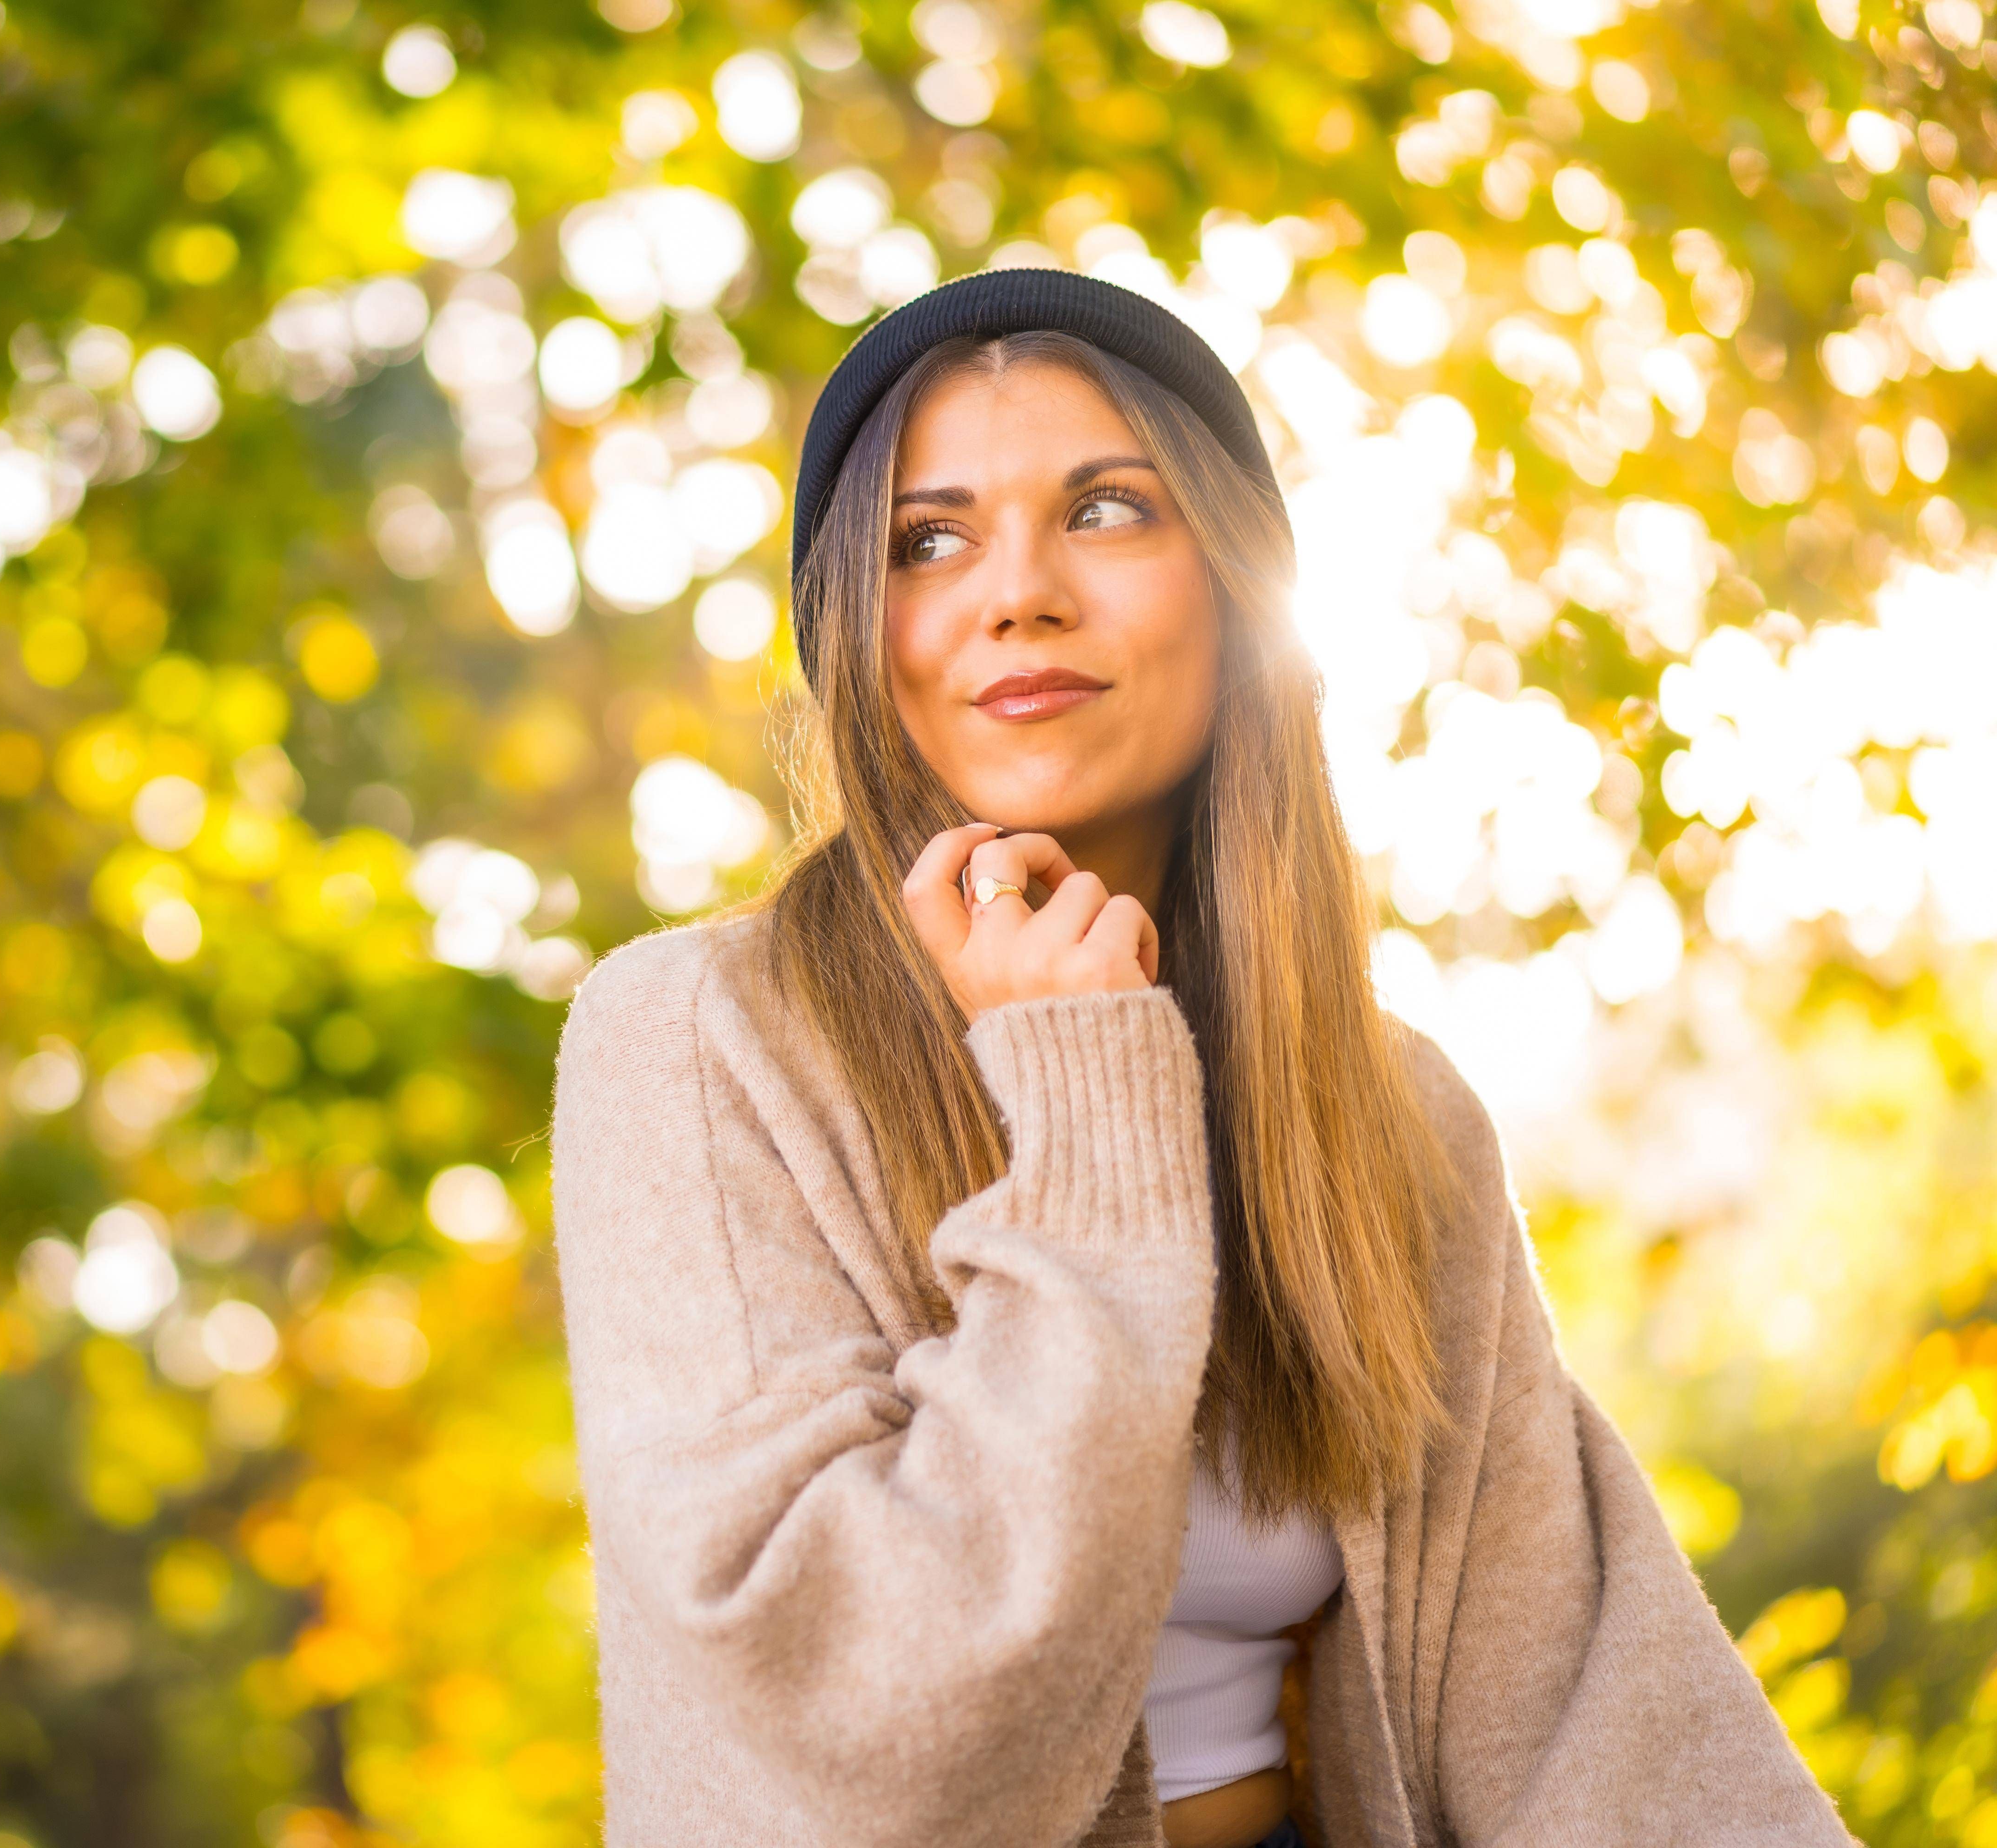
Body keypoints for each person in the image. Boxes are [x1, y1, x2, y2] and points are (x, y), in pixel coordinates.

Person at [546, 267, 1853, 1848]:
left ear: (1237, 584)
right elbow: (870, 1730)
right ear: (859, 628)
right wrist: (1082, 1092)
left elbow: (1593, 1708)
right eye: (930, 539)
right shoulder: (694, 1039)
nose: (1015, 593)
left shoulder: (1398, 1113)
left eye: (1106, 511)